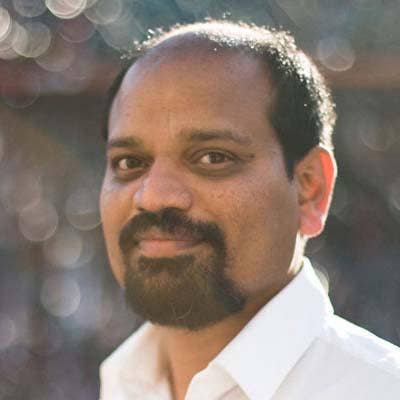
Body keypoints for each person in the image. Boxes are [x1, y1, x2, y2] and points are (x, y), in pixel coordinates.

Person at [99, 20, 400, 400]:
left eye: (212, 157)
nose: (154, 196)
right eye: (129, 163)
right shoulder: (122, 384)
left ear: (310, 189)